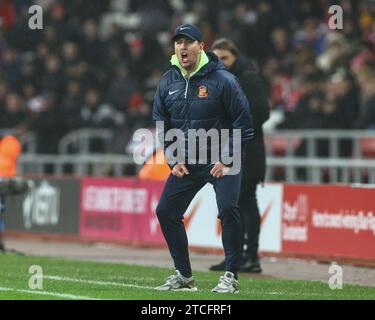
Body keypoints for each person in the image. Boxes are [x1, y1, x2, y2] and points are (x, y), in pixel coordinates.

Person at [152, 24, 254, 293]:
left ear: (201, 46)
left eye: (188, 42)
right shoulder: (167, 81)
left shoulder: (224, 80)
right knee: (165, 211)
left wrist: (227, 159)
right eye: (178, 43)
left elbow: (243, 123)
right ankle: (184, 277)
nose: (182, 47)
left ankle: (231, 275)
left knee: (229, 209)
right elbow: (162, 123)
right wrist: (174, 160)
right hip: (188, 162)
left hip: (221, 160)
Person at [209, 38, 270, 273]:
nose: (221, 63)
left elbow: (262, 112)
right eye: (217, 59)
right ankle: (234, 256)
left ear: (235, 56)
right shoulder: (222, 80)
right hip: (229, 151)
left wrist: (238, 129)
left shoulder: (248, 78)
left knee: (244, 202)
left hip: (249, 150)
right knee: (231, 204)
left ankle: (250, 257)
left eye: (225, 58)